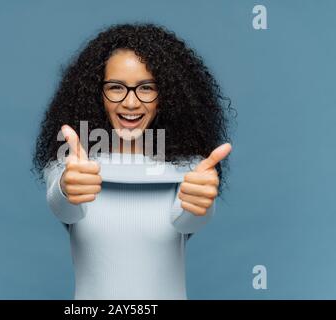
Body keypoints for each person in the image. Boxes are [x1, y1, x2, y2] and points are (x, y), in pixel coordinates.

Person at [33, 23, 235, 299]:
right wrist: (68, 188)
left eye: (146, 88)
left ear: (166, 96)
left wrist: (201, 202)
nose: (130, 103)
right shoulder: (71, 164)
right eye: (116, 88)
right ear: (97, 93)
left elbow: (187, 221)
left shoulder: (191, 168)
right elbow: (64, 209)